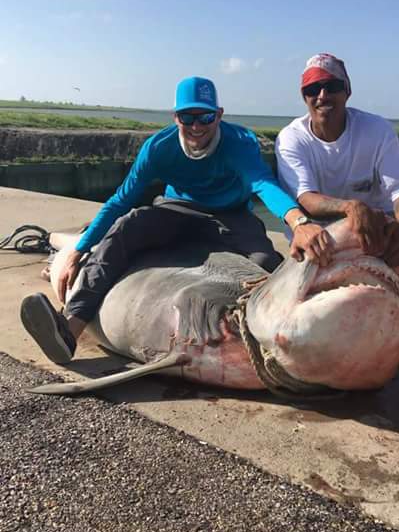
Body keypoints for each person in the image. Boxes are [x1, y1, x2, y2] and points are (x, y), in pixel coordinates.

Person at [21, 76, 333, 365]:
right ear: (175, 117)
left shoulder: (240, 143)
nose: (196, 126)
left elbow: (264, 184)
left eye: (205, 117)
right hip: (177, 208)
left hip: (230, 215)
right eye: (187, 117)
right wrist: (80, 250)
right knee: (127, 225)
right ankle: (69, 329)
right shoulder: (159, 148)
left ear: (219, 114)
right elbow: (121, 199)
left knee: (266, 261)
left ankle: (301, 335)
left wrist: (298, 221)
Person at [275, 53, 399, 395]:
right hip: (323, 226)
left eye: (332, 86)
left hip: (381, 224)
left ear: (347, 91)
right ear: (304, 96)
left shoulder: (377, 129)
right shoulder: (292, 138)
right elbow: (305, 197)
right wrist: (350, 207)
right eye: (313, 88)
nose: (323, 95)